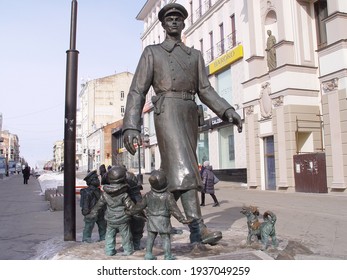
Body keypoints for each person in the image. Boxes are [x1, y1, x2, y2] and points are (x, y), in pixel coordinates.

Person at [122, 3, 242, 245]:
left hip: (189, 114)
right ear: (164, 24)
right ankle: (198, 228)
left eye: (178, 18)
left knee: (174, 178)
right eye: (170, 19)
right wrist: (131, 125)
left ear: (183, 23)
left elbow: (206, 90)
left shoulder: (195, 56)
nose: (174, 22)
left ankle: (140, 217)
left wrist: (227, 110)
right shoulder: (152, 53)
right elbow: (137, 90)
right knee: (186, 168)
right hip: (166, 111)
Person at [127, 170, 191, 260]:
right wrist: (182, 219)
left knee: (150, 237)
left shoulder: (148, 195)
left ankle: (148, 254)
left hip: (152, 220)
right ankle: (167, 255)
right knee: (165, 238)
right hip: (163, 220)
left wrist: (130, 212)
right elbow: (174, 209)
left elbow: (139, 206)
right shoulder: (168, 196)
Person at [90, 166, 135, 256]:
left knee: (110, 234)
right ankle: (128, 249)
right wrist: (137, 211)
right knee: (125, 235)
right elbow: (130, 206)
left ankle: (109, 250)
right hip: (122, 218)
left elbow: (99, 205)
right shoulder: (124, 194)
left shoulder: (105, 194)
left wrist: (93, 212)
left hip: (110, 219)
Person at [80, 170, 107, 243]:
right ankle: (86, 238)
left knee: (102, 225)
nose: (98, 180)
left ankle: (103, 237)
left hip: (100, 211)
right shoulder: (86, 191)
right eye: (96, 179)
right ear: (91, 181)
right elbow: (85, 202)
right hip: (91, 212)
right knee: (89, 226)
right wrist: (86, 211)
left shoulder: (99, 191)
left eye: (97, 178)